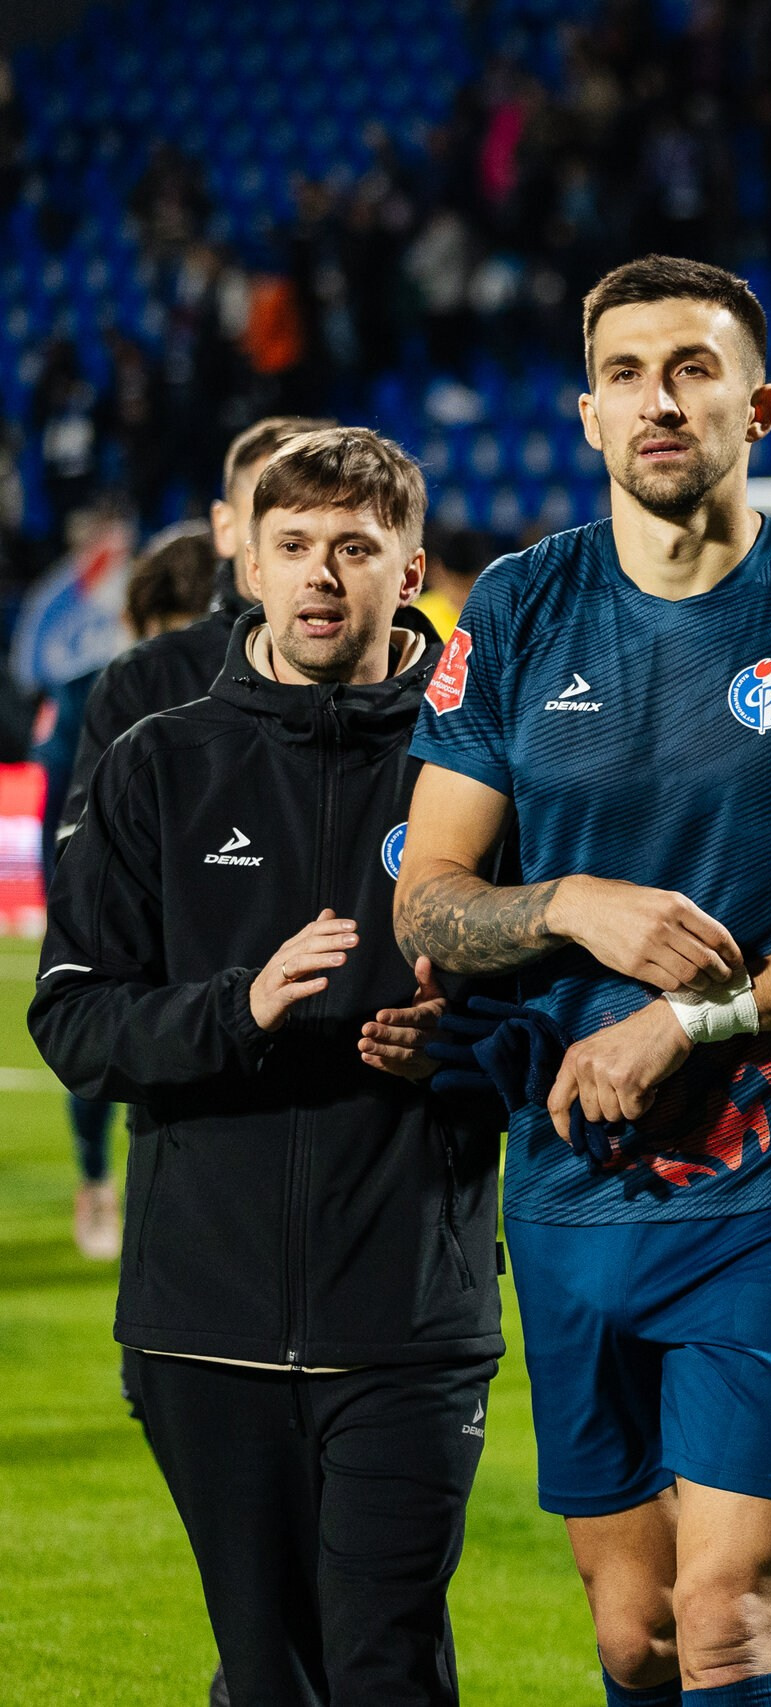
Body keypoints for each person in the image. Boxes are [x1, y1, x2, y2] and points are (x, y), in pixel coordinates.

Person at [393, 256, 771, 1706]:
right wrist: (574, 905)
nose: (664, 398)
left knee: (729, 1614)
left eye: (696, 369)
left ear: (757, 404)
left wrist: (692, 1012)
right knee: (632, 1630)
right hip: (572, 1174)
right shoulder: (520, 607)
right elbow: (433, 896)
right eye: (632, 373)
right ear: (588, 414)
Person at [29, 427, 500, 1706]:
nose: (320, 577)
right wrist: (240, 1008)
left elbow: (557, 1018)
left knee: (387, 1665)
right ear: (250, 561)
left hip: (410, 1310)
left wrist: (462, 1051)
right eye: (294, 547)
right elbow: (72, 1018)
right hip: (206, 1319)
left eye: (356, 549)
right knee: (264, 1676)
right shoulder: (160, 760)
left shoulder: (483, 764)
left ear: (412, 571)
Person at [50, 521, 220, 1260]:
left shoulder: (246, 679)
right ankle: (96, 1181)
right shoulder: (105, 689)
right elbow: (65, 809)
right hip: (122, 885)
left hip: (208, 894)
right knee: (100, 1025)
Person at [60, 416, 334, 831]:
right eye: (272, 522)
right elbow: (91, 876)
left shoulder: (411, 678)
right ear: (225, 528)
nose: (307, 557)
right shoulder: (146, 680)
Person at [410, 520, 497, 639]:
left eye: (471, 587)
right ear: (438, 573)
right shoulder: (419, 617)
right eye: (457, 587)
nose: (464, 597)